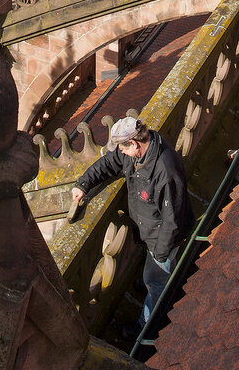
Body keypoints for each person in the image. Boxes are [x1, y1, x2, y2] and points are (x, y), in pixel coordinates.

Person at [71, 117, 192, 337]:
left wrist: (160, 254)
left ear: (134, 144)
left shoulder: (165, 171)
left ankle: (146, 328)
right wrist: (83, 184)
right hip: (150, 231)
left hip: (162, 238)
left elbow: (172, 220)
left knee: (157, 283)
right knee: (154, 274)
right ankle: (155, 277)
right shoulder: (139, 151)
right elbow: (108, 163)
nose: (121, 152)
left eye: (122, 148)